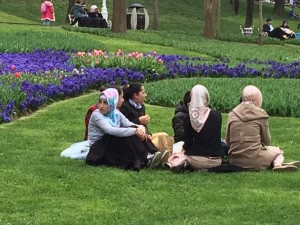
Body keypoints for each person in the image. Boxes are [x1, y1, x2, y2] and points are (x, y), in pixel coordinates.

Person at [86, 88, 166, 171]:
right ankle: (147, 157)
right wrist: (134, 131)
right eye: (100, 102)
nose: (101, 106)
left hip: (111, 142)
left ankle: (153, 153)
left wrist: (141, 128)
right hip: (99, 148)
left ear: (112, 103)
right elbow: (110, 130)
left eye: (105, 103)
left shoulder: (115, 112)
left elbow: (129, 124)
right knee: (127, 133)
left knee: (132, 129)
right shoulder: (96, 114)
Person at [225, 85, 300, 172]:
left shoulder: (232, 114)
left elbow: (228, 141)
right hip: (255, 161)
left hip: (235, 161)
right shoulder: (260, 115)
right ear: (258, 100)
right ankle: (277, 164)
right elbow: (266, 141)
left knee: (271, 151)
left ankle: (274, 162)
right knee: (278, 151)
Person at [167, 85, 224, 172]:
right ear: (206, 97)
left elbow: (188, 144)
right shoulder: (217, 115)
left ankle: (184, 164)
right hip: (217, 160)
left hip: (197, 160)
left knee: (177, 154)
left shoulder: (189, 118)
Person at [120, 83, 174, 155]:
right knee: (161, 140)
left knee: (164, 135)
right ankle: (165, 158)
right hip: (136, 138)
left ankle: (167, 157)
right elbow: (125, 124)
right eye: (143, 93)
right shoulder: (125, 107)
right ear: (136, 95)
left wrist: (148, 134)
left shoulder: (141, 106)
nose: (145, 95)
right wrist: (139, 121)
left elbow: (145, 126)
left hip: (145, 136)